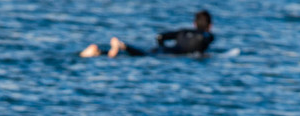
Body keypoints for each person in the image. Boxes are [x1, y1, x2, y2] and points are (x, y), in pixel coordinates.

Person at [80, 10, 214, 58]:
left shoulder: (183, 31)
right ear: (210, 26)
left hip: (165, 49)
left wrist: (162, 47)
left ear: (194, 24)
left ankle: (100, 53)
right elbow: (206, 42)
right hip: (172, 54)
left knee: (145, 54)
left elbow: (160, 37)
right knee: (144, 56)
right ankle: (123, 46)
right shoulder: (208, 36)